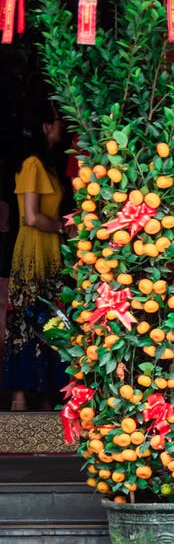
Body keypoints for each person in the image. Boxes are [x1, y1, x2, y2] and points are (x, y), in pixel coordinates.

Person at [2, 105, 68, 411]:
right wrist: (62, 227)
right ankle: (20, 396)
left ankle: (45, 392)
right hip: (33, 250)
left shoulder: (49, 166)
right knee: (26, 320)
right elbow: (30, 217)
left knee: (52, 320)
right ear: (43, 127)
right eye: (56, 121)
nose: (61, 126)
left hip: (50, 249)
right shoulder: (31, 164)